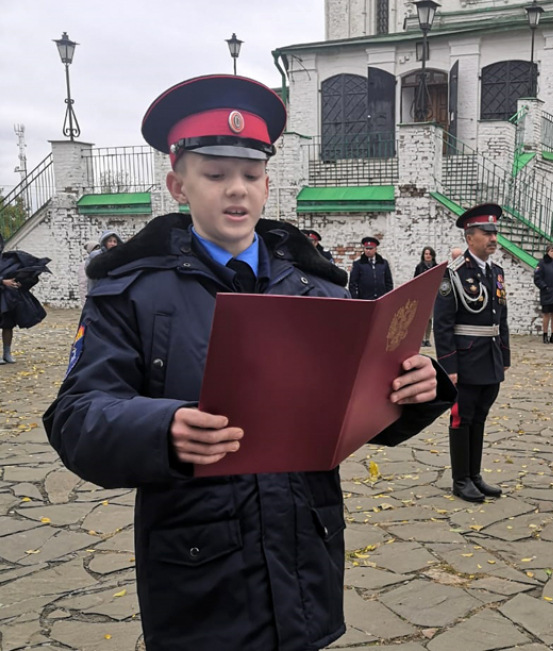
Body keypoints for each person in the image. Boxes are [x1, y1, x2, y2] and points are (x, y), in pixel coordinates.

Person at [42, 74, 455, 651]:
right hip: (198, 569)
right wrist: (162, 429)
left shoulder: (320, 290)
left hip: (305, 557)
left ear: (267, 184)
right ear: (177, 185)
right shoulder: (129, 292)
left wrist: (416, 389)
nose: (236, 190)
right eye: (214, 175)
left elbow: (354, 413)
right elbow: (76, 416)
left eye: (251, 174)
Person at [434, 204, 510, 503]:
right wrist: (448, 366)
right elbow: (442, 324)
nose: (493, 238)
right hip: (464, 360)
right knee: (461, 419)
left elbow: (500, 318)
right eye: (487, 233)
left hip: (489, 358)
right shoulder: (452, 274)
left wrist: (504, 357)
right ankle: (460, 479)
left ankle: (475, 475)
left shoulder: (496, 272)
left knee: (479, 417)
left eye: (495, 232)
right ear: (470, 238)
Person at [0, 235, 51, 364]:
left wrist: (20, 282)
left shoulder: (7, 259)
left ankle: (7, 353)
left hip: (7, 298)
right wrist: (2, 281)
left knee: (8, 325)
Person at [414, 246, 437, 347]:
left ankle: (427, 338)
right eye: (426, 254)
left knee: (429, 318)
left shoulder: (436, 267)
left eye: (429, 254)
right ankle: (421, 339)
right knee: (422, 318)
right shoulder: (419, 267)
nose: (428, 256)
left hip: (433, 296)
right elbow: (415, 281)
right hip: (422, 296)